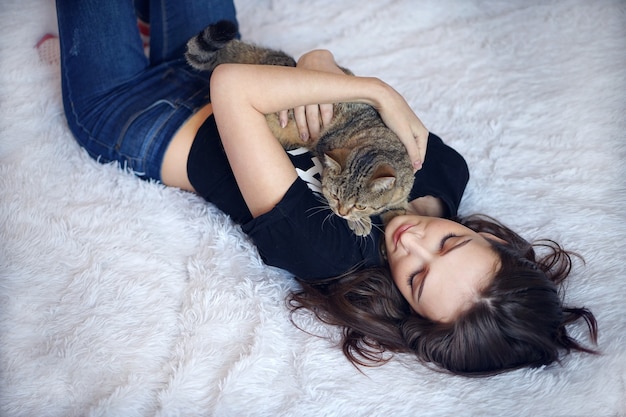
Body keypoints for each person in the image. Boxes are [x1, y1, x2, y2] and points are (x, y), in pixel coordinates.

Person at [53, 0, 597, 376]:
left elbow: (234, 92)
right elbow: (339, 109)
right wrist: (322, 63)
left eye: (418, 277)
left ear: (414, 314)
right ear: (493, 242)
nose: (411, 242)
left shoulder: (332, 252)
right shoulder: (446, 171)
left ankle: (95, 60)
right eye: (449, 243)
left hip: (140, 112)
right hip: (222, 54)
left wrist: (374, 89)